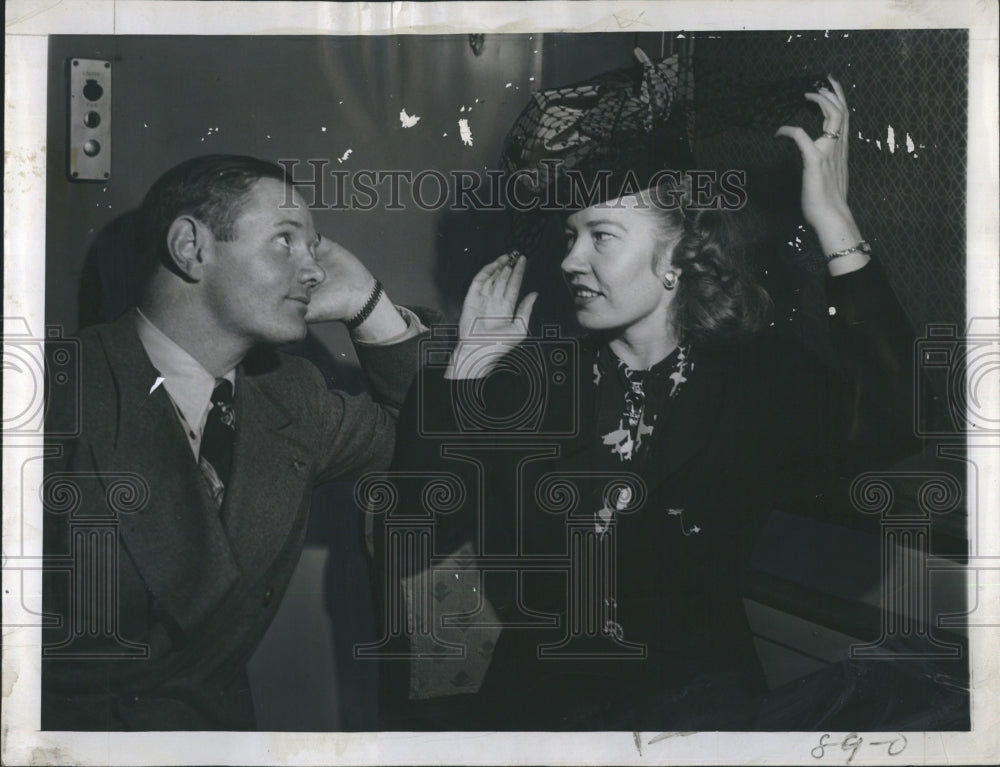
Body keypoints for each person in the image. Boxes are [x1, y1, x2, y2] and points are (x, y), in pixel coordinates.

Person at [383, 76, 923, 730]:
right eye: (570, 235)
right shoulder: (534, 378)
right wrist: (467, 374)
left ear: (680, 252)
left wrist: (837, 225)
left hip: (700, 713)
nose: (571, 259)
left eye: (600, 235)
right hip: (539, 714)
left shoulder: (752, 381)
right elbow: (417, 512)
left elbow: (890, 429)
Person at [42, 154, 425, 730]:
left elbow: (423, 435)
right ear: (191, 248)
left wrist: (368, 305)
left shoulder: (291, 396)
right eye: (285, 242)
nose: (315, 269)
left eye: (313, 247)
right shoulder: (49, 394)